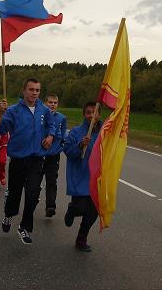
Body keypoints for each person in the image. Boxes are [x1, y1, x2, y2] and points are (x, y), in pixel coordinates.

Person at [0, 78, 55, 244]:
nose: (34, 93)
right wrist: (0, 114)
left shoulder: (44, 109)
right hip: (19, 159)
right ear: (24, 90)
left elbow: (52, 125)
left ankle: (24, 227)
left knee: (33, 193)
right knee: (15, 193)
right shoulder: (13, 111)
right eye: (31, 89)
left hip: (36, 158)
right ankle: (8, 215)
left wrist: (50, 136)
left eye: (37, 90)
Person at [63, 101, 102, 252]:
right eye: (88, 112)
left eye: (95, 112)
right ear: (84, 114)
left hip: (96, 178)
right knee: (80, 207)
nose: (92, 115)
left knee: (93, 212)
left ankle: (81, 239)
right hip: (80, 176)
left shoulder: (104, 132)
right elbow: (68, 152)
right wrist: (80, 145)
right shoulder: (76, 132)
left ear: (99, 114)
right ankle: (72, 210)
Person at [42, 94, 67, 217]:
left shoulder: (62, 118)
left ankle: (50, 206)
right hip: (39, 154)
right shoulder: (40, 115)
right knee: (34, 182)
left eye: (55, 102)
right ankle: (33, 200)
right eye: (50, 102)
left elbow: (63, 136)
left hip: (53, 155)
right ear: (45, 103)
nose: (52, 104)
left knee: (51, 181)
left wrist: (60, 147)